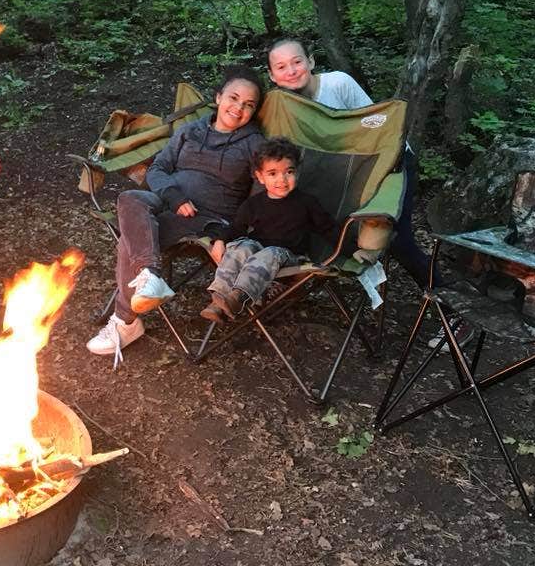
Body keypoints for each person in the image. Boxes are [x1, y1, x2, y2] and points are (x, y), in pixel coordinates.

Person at [266, 38, 471, 349]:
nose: (291, 71)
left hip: (390, 162)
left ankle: (455, 315)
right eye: (281, 67)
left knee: (398, 240)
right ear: (272, 76)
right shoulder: (284, 104)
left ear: (310, 61)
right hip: (344, 168)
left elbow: (379, 131)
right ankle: (295, 285)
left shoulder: (338, 84)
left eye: (297, 62)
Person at [86, 66, 267, 365]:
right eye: (233, 98)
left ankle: (125, 322)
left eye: (249, 105)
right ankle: (150, 276)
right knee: (130, 198)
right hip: (166, 200)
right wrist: (174, 195)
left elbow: (257, 199)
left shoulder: (255, 145)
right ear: (218, 97)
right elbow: (158, 169)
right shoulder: (190, 130)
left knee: (130, 242)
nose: (239, 108)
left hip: (207, 217)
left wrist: (228, 234)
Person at [199, 138, 339, 322]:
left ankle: (239, 297)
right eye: (272, 173)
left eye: (289, 172)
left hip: (290, 259)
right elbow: (236, 227)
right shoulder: (254, 204)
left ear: (297, 172)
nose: (282, 179)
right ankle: (219, 300)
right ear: (260, 177)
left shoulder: (307, 203)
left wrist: (354, 250)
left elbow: (328, 229)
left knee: (270, 252)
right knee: (242, 247)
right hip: (258, 255)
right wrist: (220, 241)